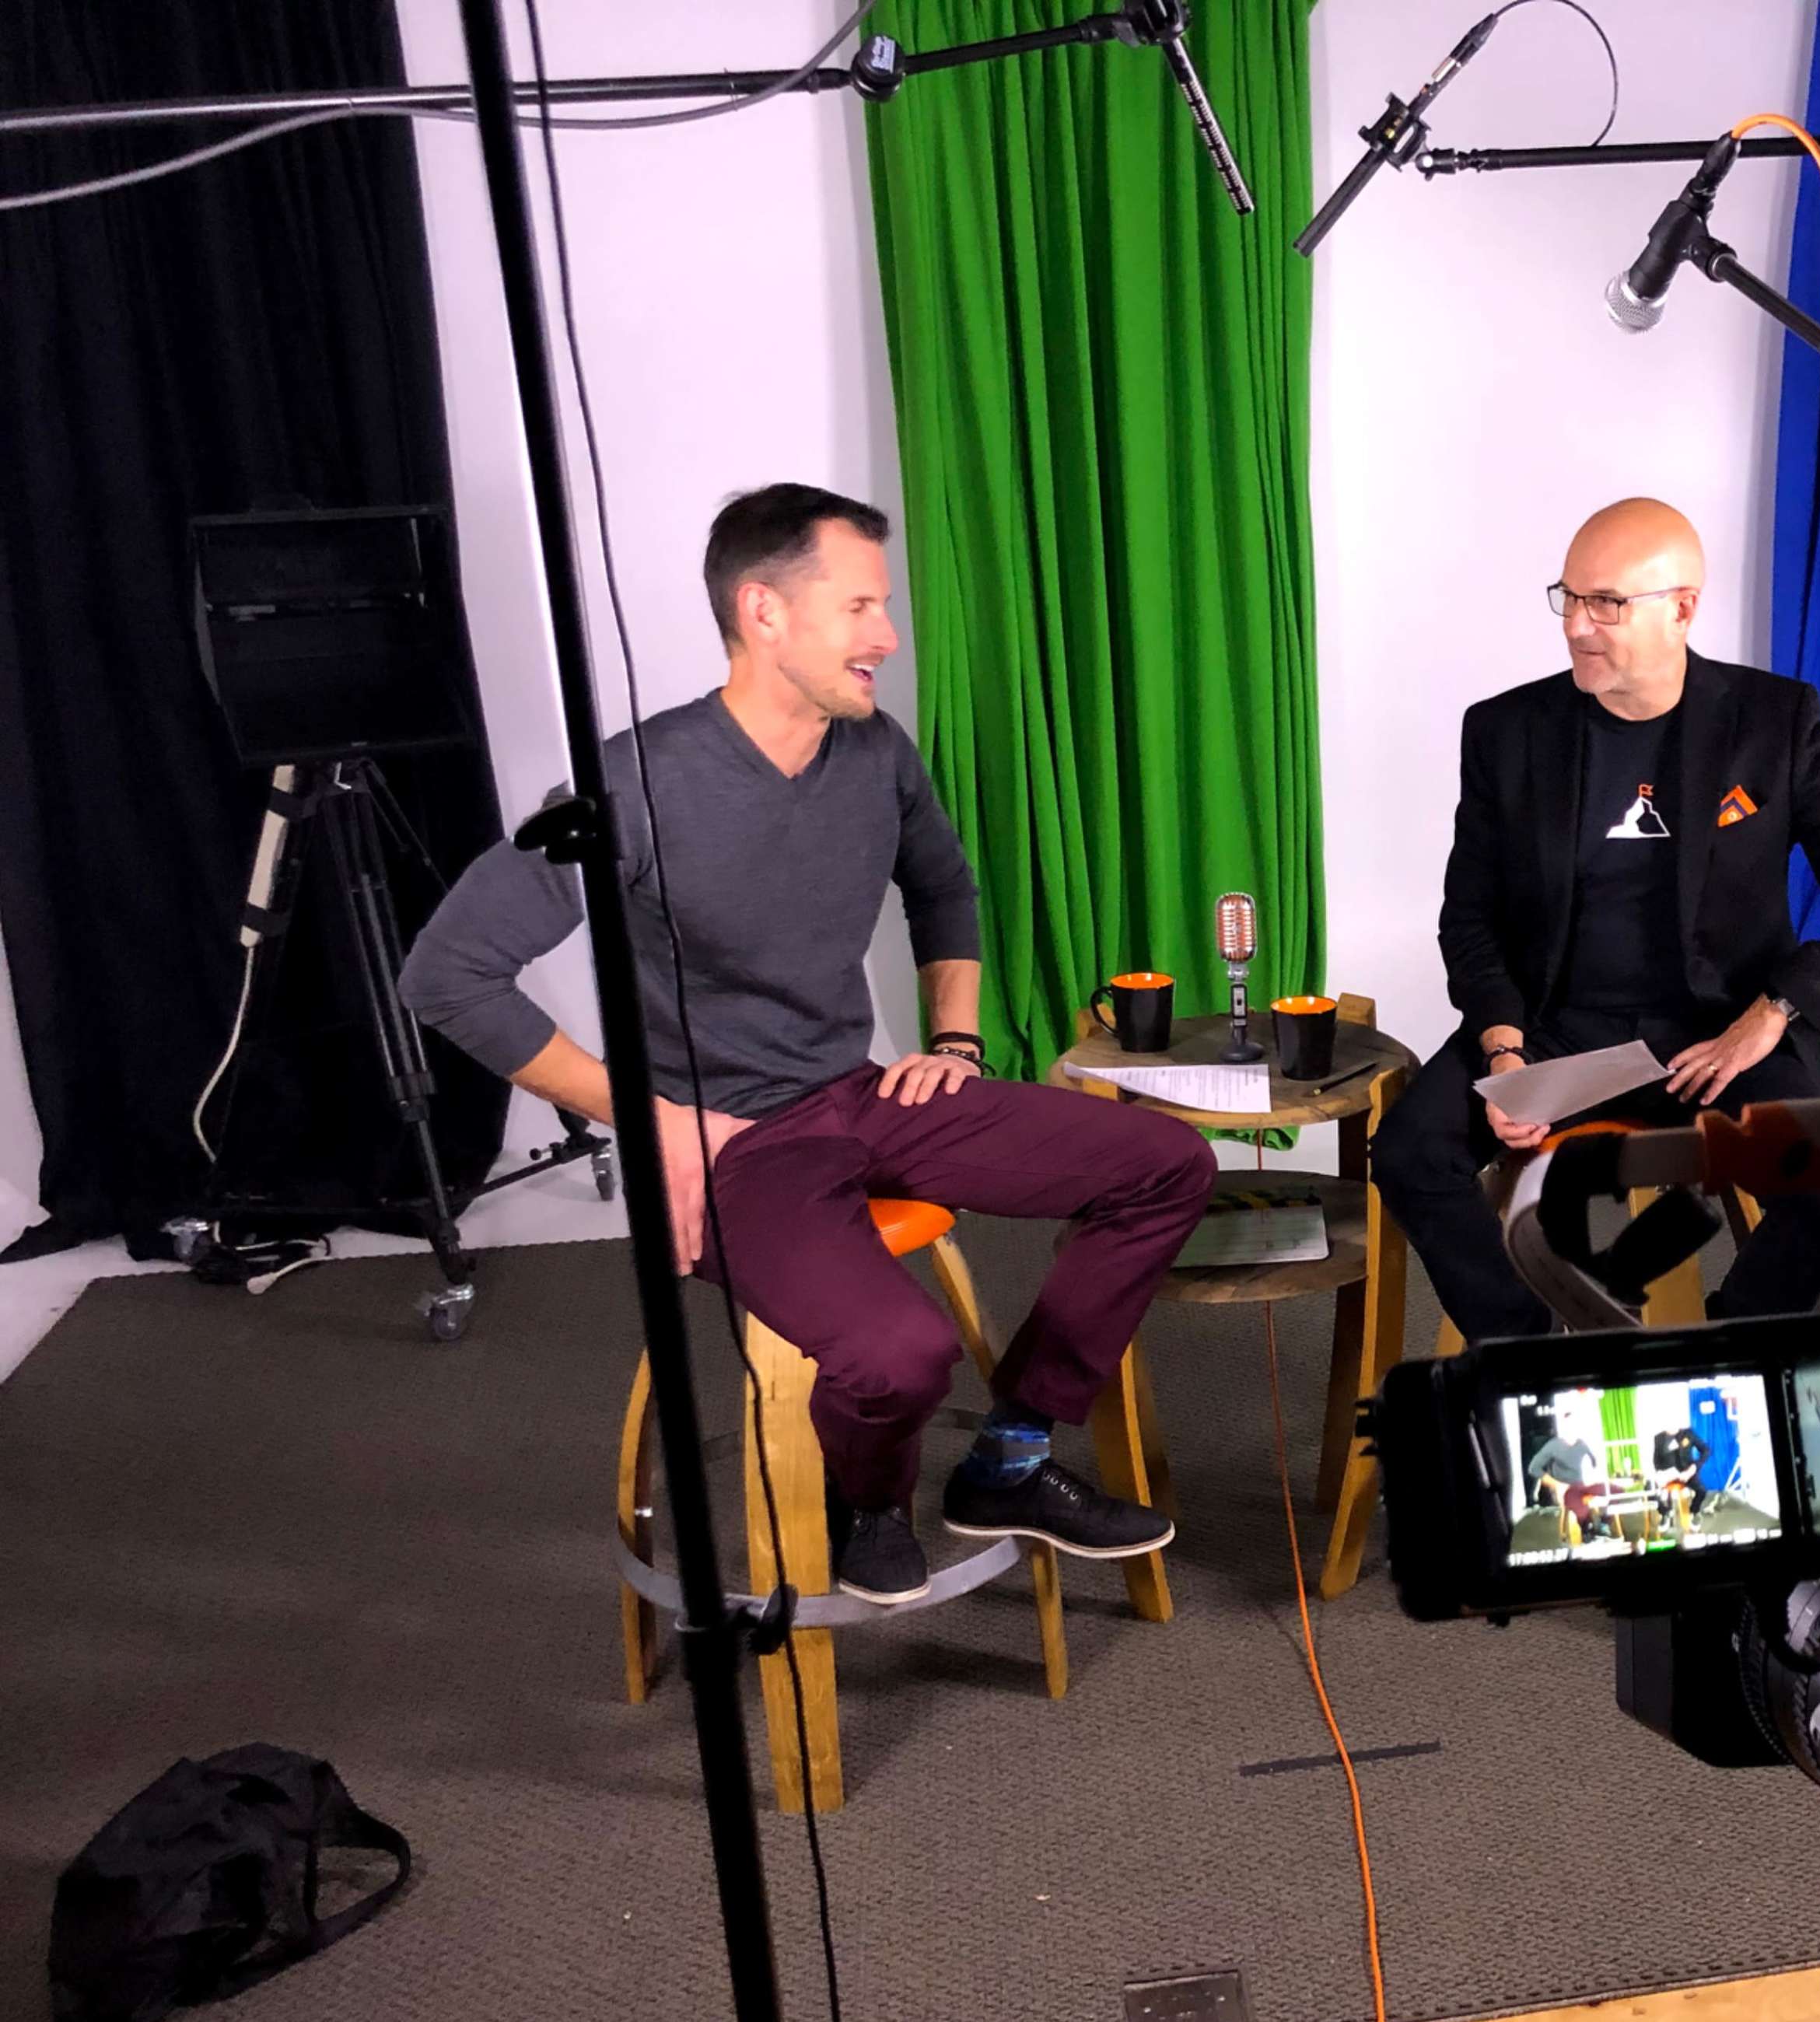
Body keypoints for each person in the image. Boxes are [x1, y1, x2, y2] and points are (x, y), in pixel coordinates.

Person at [401, 484, 1216, 1605]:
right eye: (861, 607)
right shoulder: (629, 784)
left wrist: (959, 1042)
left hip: (866, 1093)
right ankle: (867, 1499)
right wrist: (656, 1120)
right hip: (736, 1142)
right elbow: (445, 974)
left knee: (1166, 1164)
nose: (888, 636)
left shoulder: (876, 751)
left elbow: (944, 889)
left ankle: (1012, 1455)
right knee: (900, 1355)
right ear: (765, 613)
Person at [1371, 498, 1820, 1342]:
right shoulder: (1507, 732)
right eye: (1568, 598)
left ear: (1682, 608)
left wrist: (1776, 1013)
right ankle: (1527, 1352)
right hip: (1554, 1030)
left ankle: (1729, 1341)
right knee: (1410, 1155)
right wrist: (1504, 1046)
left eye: (1605, 603)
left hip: (1718, 1037)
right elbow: (1470, 916)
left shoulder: (1774, 724)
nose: (1577, 625)